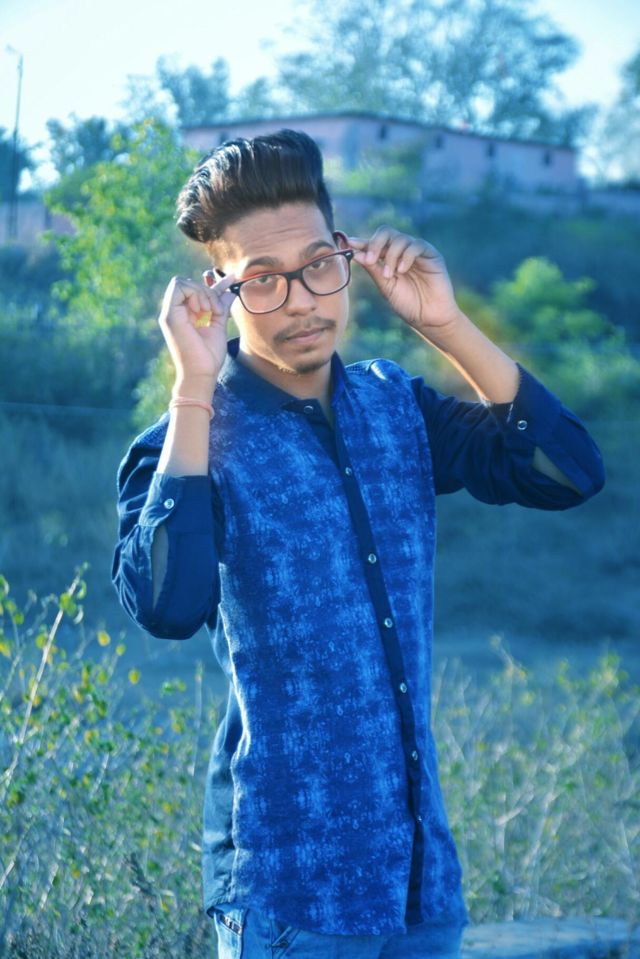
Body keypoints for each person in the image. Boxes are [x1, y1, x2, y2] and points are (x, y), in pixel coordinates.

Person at [111, 129, 605, 959]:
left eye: (316, 265)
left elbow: (569, 471)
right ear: (220, 292)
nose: (301, 300)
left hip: (421, 885)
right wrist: (194, 387)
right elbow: (167, 605)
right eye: (262, 280)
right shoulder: (182, 445)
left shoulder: (398, 406)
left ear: (345, 256)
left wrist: (447, 324)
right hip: (287, 894)